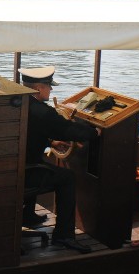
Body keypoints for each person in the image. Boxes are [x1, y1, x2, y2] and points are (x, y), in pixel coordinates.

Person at [20, 65, 99, 254]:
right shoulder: (42, 112)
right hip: (24, 173)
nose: (51, 90)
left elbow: (30, 132)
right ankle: (64, 235)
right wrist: (93, 132)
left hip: (14, 167)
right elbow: (67, 130)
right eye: (49, 86)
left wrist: (50, 142)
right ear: (39, 89)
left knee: (41, 164)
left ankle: (27, 215)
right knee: (67, 178)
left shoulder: (20, 102)